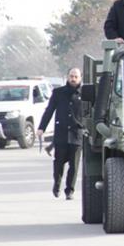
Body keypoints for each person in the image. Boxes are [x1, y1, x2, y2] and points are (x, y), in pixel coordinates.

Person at [36, 68, 84, 200]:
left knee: (74, 165)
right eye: (71, 76)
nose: (73, 79)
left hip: (76, 134)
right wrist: (41, 128)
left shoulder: (85, 94)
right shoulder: (58, 93)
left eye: (76, 76)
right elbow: (49, 111)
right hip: (61, 134)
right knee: (59, 163)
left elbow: (91, 113)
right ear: (67, 77)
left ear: (80, 78)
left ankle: (69, 191)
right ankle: (56, 185)